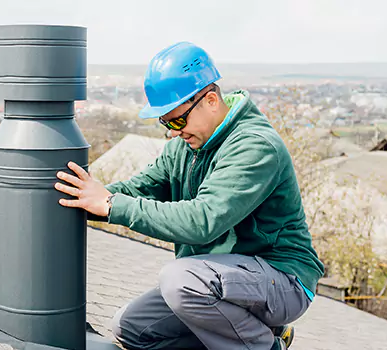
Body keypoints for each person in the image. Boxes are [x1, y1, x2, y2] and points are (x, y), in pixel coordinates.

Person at [54, 42, 324, 350]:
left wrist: (112, 205)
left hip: (281, 279)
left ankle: (265, 346)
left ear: (210, 100)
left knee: (180, 280)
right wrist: (84, 199)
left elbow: (203, 220)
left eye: (178, 120)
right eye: (166, 122)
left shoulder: (255, 147)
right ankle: (263, 333)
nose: (172, 131)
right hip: (225, 280)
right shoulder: (184, 147)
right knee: (132, 329)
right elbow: (138, 189)